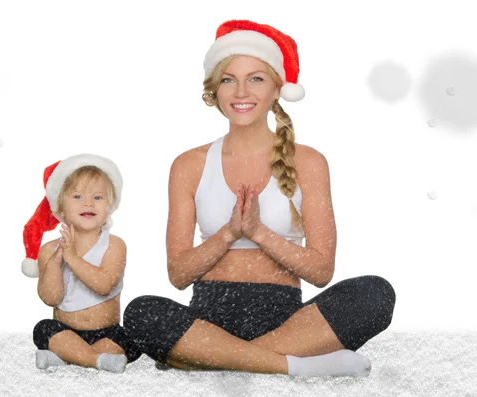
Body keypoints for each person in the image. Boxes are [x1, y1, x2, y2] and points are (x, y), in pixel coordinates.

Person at [123, 20, 396, 377]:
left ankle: (204, 359)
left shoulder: (309, 162)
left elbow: (321, 271)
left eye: (256, 78)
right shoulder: (188, 165)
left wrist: (258, 232)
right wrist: (228, 233)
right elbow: (178, 274)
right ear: (214, 90)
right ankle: (292, 367)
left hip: (288, 322)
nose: (241, 92)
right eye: (228, 79)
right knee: (140, 312)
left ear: (277, 89)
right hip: (207, 319)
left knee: (375, 294)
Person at [21, 154, 141, 373]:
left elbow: (104, 286)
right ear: (60, 208)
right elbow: (50, 298)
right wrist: (56, 263)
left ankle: (67, 357)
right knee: (44, 329)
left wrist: (73, 258)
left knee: (129, 339)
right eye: (77, 196)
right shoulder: (49, 250)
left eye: (97, 197)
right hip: (65, 331)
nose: (88, 202)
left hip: (106, 332)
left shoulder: (114, 245)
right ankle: (95, 360)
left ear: (110, 206)